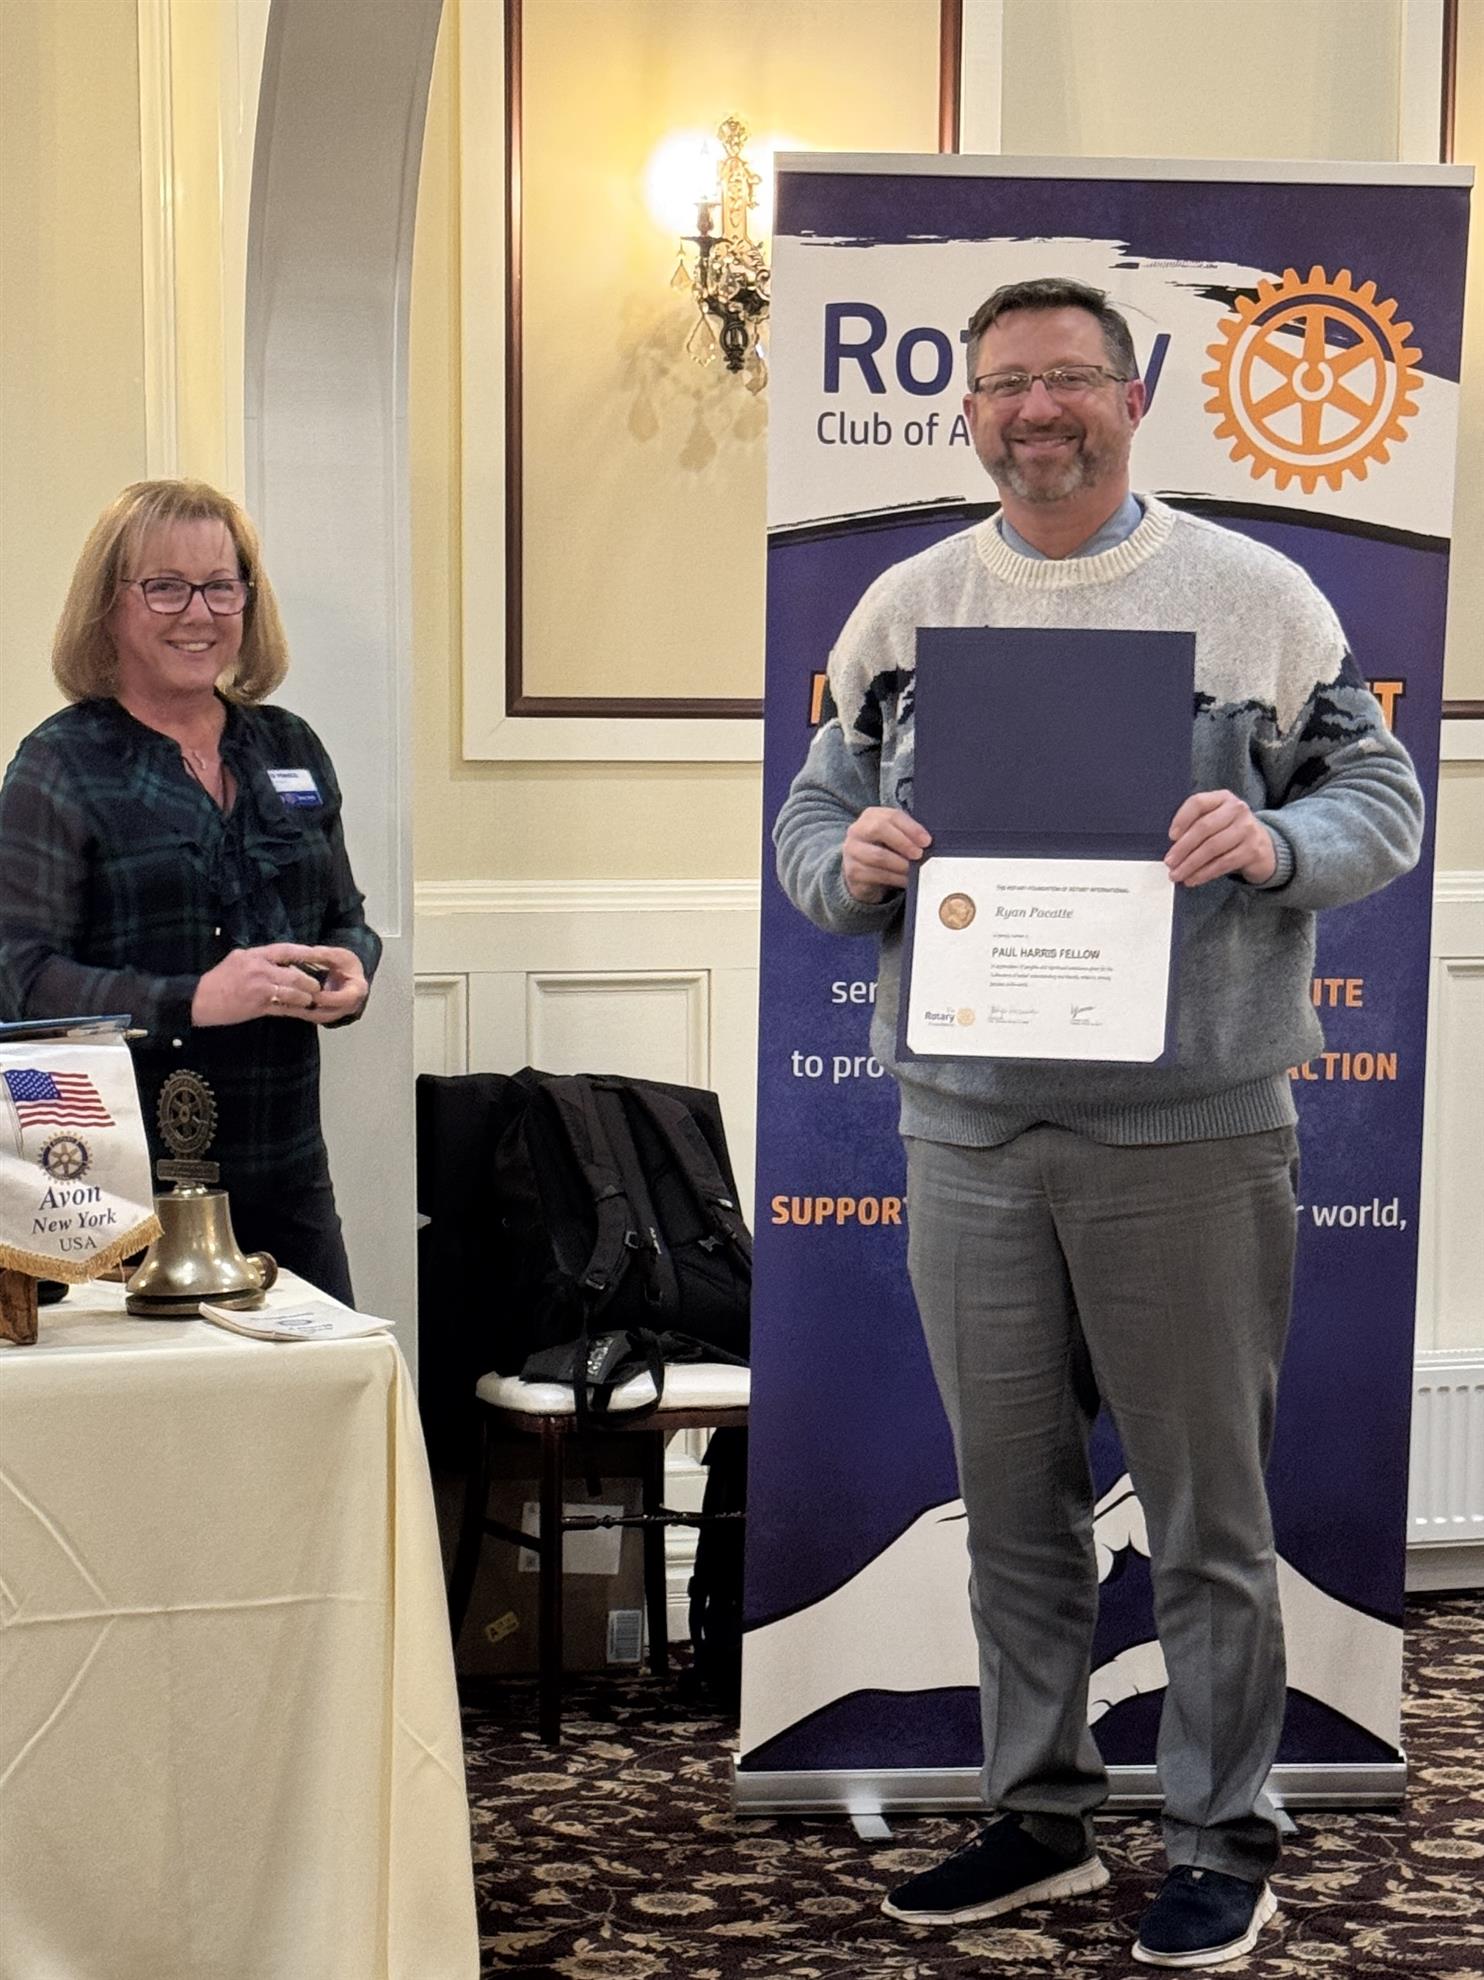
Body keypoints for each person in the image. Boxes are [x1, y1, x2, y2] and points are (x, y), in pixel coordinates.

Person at [773, 277, 1423, 1970]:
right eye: (1003, 383)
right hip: (969, 1134)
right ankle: (1039, 1819)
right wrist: (846, 864)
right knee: (1010, 1512)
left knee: (1205, 1519)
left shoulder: (1257, 600)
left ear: (1134, 398)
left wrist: (1273, 843)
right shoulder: (905, 608)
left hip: (1189, 1137)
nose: (1035, 409)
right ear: (966, 412)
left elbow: (1380, 797)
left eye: (1068, 377)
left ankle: (1220, 1838)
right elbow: (810, 824)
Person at [0, 478, 380, 1305]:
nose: (199, 614)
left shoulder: (289, 746)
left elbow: (345, 918)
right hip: (110, 1194)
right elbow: (20, 978)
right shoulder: (59, 766)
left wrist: (352, 970)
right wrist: (192, 1000)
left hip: (287, 1174)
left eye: (220, 586)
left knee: (327, 1382)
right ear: (108, 607)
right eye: (165, 587)